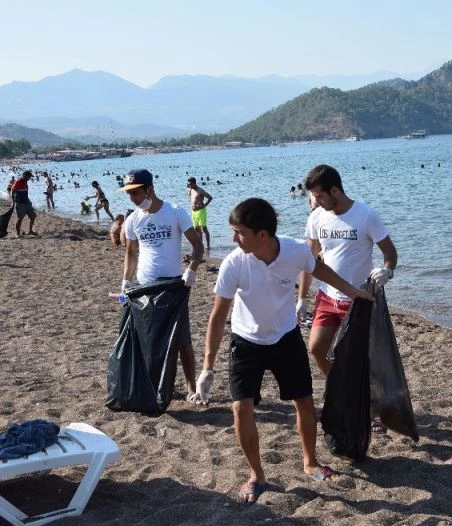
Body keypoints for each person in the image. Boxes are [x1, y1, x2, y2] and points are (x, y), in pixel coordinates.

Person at [196, 197, 373, 504]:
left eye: (239, 232)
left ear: (262, 234)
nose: (234, 238)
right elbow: (218, 316)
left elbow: (321, 270)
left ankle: (310, 462)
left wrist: (355, 291)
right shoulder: (234, 262)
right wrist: (207, 367)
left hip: (285, 337)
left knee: (304, 401)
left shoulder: (294, 251)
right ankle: (257, 475)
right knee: (241, 408)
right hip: (246, 341)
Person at [297, 164, 398, 433]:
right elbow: (309, 261)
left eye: (319, 196)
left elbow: (390, 252)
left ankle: (368, 407)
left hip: (359, 300)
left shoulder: (366, 215)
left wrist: (387, 271)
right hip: (327, 296)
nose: (315, 202)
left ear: (334, 190)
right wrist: (301, 299)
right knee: (316, 350)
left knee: (359, 360)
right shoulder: (317, 217)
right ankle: (347, 393)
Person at [120, 169, 204, 401]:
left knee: (181, 338)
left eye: (135, 193)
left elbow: (197, 246)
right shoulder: (133, 219)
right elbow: (131, 253)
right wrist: (126, 281)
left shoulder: (175, 212)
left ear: (149, 189)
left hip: (174, 285)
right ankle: (162, 386)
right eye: (128, 194)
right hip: (145, 286)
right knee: (152, 339)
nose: (132, 198)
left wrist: (191, 270)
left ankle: (191, 387)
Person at [186, 177, 213, 252]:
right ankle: (200, 245)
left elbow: (210, 197)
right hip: (194, 212)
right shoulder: (190, 190)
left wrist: (205, 205)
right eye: (188, 184)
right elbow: (189, 196)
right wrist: (188, 188)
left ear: (194, 183)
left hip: (201, 211)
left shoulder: (200, 190)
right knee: (196, 229)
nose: (189, 185)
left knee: (204, 228)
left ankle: (208, 246)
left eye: (190, 184)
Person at [10, 170, 37, 237]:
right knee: (20, 219)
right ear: (25, 176)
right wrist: (13, 201)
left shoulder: (25, 182)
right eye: (29, 177)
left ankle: (30, 231)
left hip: (27, 202)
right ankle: (18, 234)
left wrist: (29, 201)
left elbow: (25, 193)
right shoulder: (18, 182)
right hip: (20, 203)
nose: (30, 178)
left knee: (33, 216)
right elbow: (12, 192)